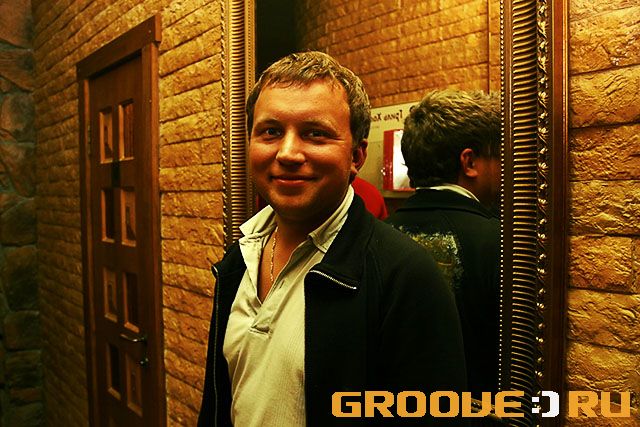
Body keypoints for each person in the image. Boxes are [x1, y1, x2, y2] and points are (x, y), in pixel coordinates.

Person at [198, 52, 467, 426]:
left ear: (356, 155)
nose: (288, 153)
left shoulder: (405, 276)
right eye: (270, 131)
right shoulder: (240, 258)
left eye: (315, 133)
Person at [385, 89, 501, 400]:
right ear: (470, 162)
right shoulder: (502, 242)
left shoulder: (375, 234)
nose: (504, 169)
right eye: (498, 157)